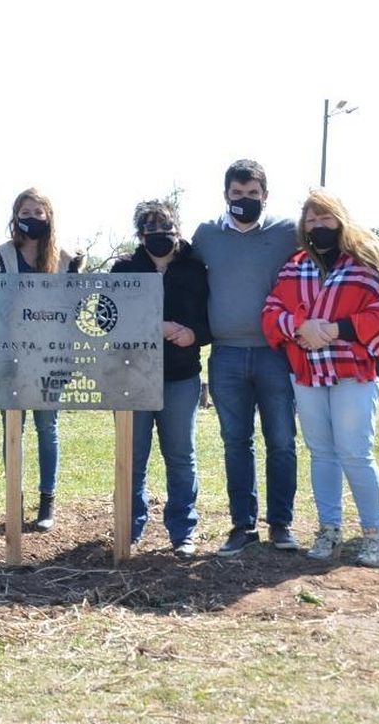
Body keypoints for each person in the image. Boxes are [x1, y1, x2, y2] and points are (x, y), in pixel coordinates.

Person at [262, 189, 379, 568]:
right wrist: (301, 327)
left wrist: (332, 329)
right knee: (322, 452)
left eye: (325, 218)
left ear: (341, 220)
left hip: (353, 371)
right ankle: (329, 529)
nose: (318, 226)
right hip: (308, 371)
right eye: (311, 220)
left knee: (355, 452)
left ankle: (375, 535)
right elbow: (272, 311)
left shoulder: (366, 264)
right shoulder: (296, 265)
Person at [190, 159, 301, 556]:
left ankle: (282, 525)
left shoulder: (289, 232)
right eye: (237, 194)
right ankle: (242, 525)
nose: (245, 200)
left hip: (276, 353)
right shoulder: (205, 235)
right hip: (226, 356)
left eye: (253, 194)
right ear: (226, 196)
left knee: (282, 441)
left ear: (265, 196)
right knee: (236, 442)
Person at [110, 200, 210, 558]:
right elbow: (108, 321)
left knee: (181, 455)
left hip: (181, 375)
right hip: (131, 377)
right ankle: (131, 526)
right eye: (150, 232)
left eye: (166, 230)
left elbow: (210, 319)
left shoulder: (196, 270)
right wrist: (156, 327)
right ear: (140, 235)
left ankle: (183, 529)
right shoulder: (123, 270)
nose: (159, 237)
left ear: (177, 231)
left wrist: (194, 334)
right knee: (132, 456)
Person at [0, 188, 82, 531]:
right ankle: (15, 500)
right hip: (8, 358)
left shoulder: (67, 260)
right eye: (26, 212)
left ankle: (46, 503)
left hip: (50, 359)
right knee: (12, 429)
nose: (32, 219)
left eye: (39, 213)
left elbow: (76, 313)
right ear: (15, 215)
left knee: (46, 427)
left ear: (49, 218)